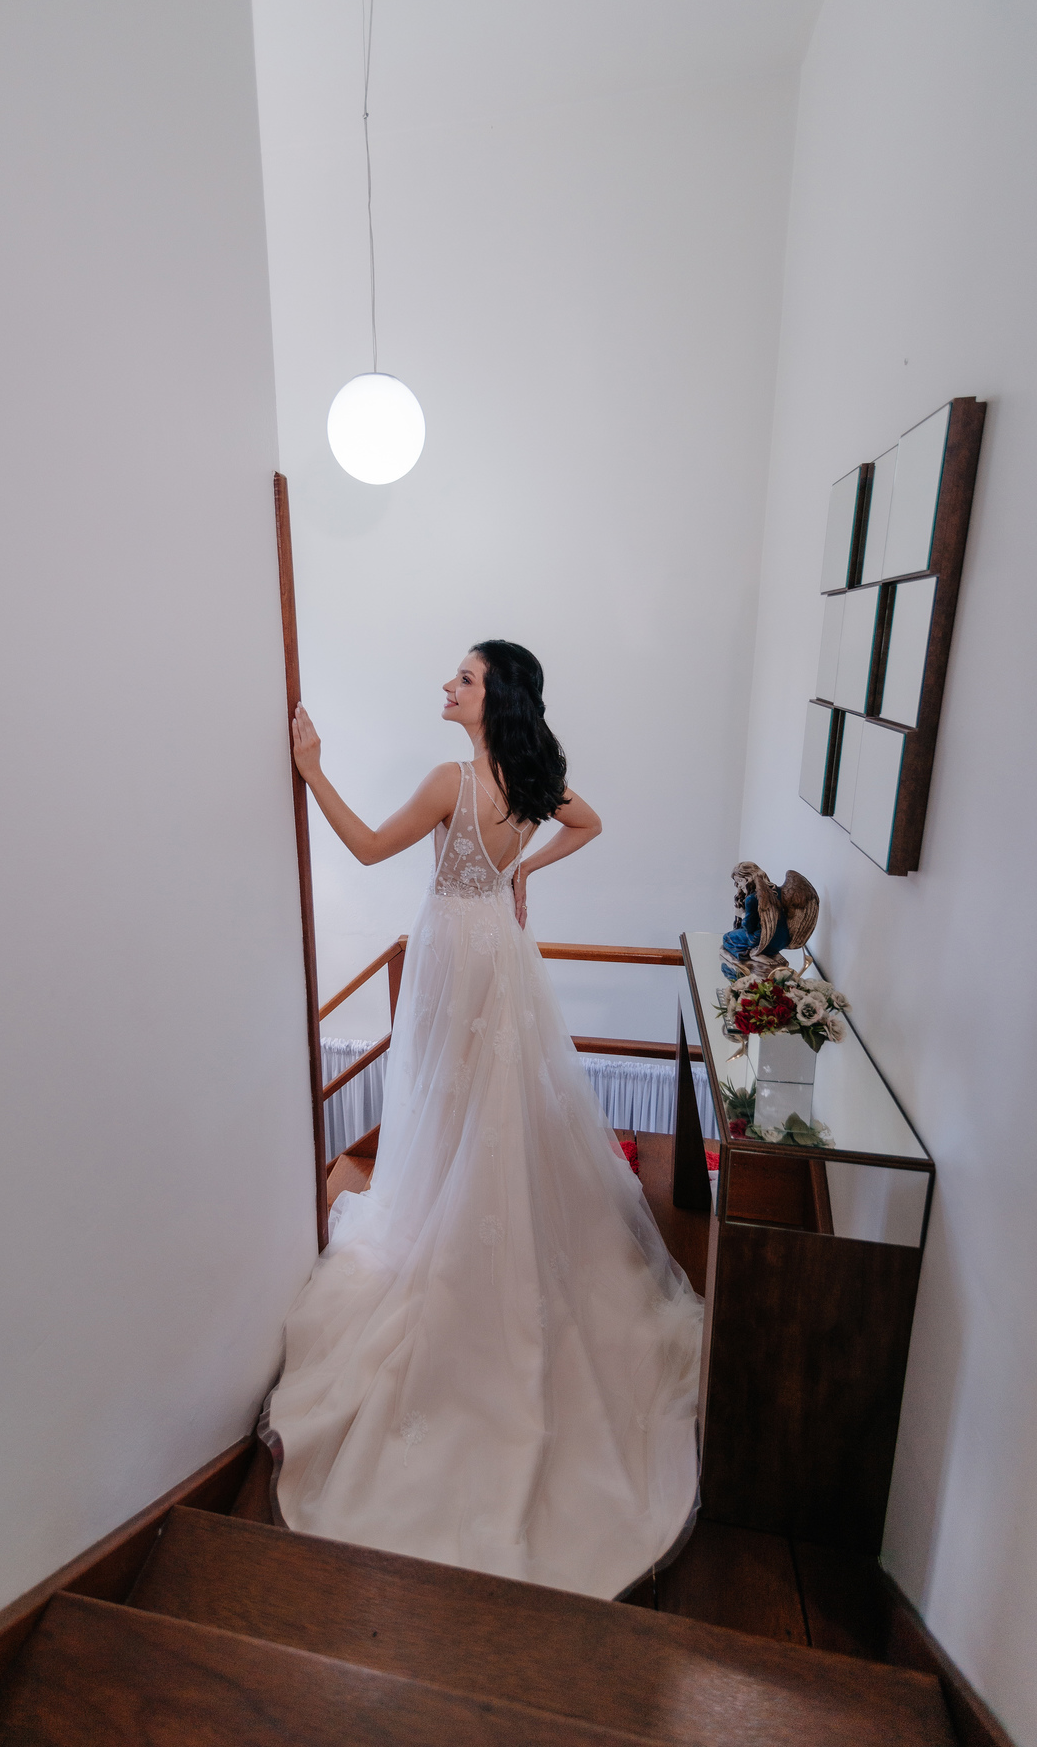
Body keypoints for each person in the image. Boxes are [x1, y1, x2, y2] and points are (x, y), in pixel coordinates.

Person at [263, 641, 703, 1599]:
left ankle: (445, 1242)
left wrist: (312, 772)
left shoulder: (452, 780)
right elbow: (589, 822)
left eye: (463, 678)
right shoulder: (531, 779)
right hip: (498, 952)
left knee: (447, 1106)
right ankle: (487, 1239)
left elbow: (368, 848)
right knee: (492, 1109)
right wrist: (525, 870)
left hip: (449, 954)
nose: (449, 686)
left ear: (493, 694)